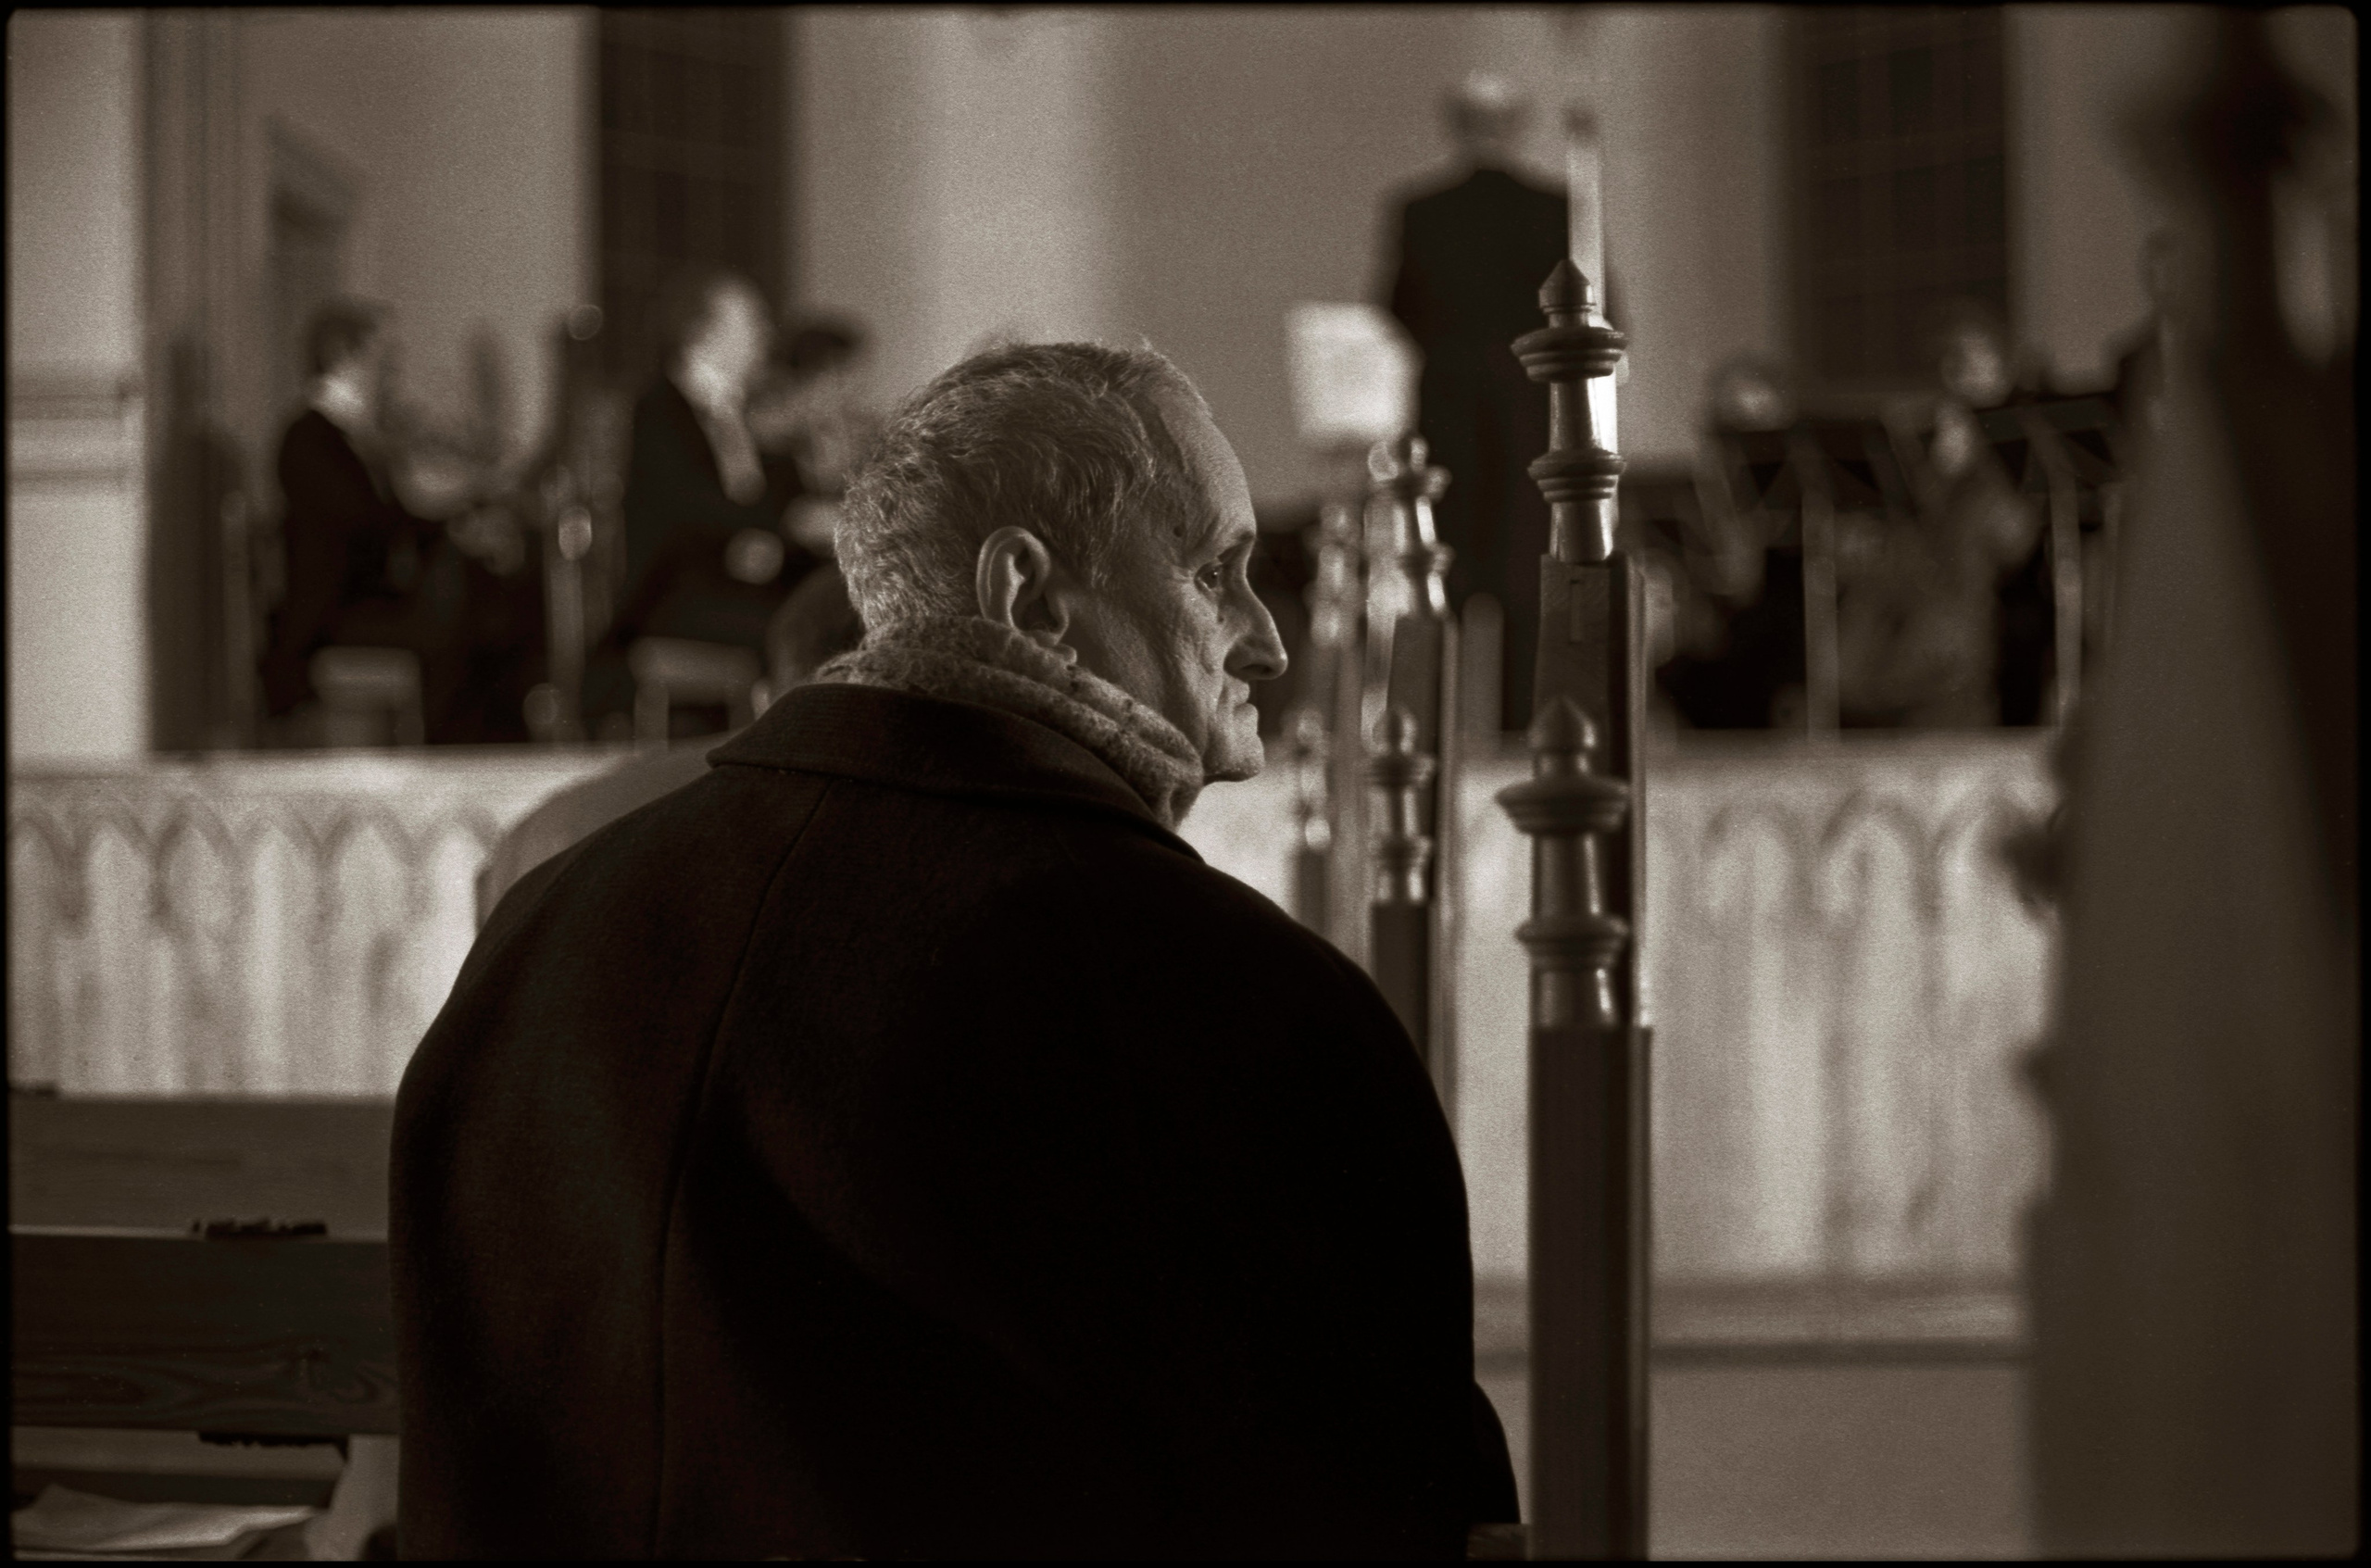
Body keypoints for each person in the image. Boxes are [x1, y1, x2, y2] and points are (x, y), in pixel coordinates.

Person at [395, 341, 1518, 1558]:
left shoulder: (545, 928)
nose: (1266, 640)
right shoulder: (1235, 998)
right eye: (1214, 573)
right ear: (1028, 596)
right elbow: (1388, 1505)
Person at [1381, 72, 1582, 732]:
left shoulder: (1421, 211)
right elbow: (1592, 311)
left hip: (1451, 410)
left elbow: (1397, 308)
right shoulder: (1556, 208)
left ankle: (1442, 724)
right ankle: (1522, 727)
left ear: (1457, 125)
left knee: (1447, 567)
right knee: (1524, 570)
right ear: (1516, 126)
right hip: (1531, 412)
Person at [589, 268, 820, 730]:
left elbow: (773, 501)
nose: (765, 333)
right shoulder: (656, 410)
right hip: (677, 596)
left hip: (747, 589)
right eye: (751, 321)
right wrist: (779, 529)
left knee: (832, 605)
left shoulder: (743, 413)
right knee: (802, 628)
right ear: (703, 331)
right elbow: (687, 511)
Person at [258, 301, 448, 726]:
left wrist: (457, 521)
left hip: (365, 605)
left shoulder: (355, 437)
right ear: (343, 357)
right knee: (452, 629)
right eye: (382, 359)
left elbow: (393, 520)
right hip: (331, 617)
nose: (391, 374)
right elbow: (365, 523)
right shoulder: (307, 438)